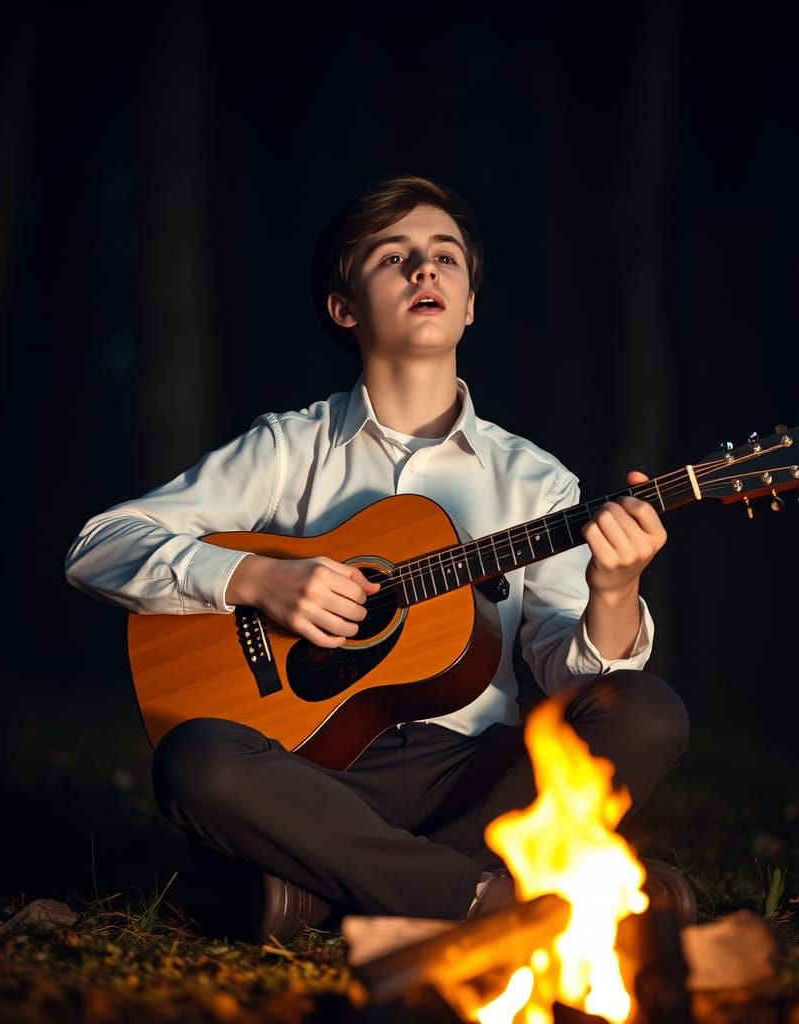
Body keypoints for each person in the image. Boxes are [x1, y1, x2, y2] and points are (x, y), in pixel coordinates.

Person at [64, 174, 692, 942]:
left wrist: (616, 589)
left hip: (472, 782)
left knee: (648, 711)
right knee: (199, 759)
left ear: (469, 305)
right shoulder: (287, 449)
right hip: (311, 782)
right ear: (344, 307)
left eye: (445, 258)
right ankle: (487, 903)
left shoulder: (537, 482)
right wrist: (256, 578)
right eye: (394, 257)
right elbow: (99, 546)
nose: (424, 270)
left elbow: (577, 680)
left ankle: (323, 894)